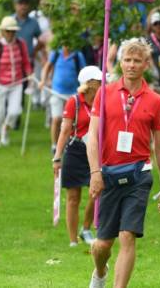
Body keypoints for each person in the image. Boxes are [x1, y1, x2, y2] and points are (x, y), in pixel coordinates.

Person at [87, 39, 160, 288]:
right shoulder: (105, 92)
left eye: (137, 61)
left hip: (139, 175)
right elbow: (92, 135)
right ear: (120, 62)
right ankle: (100, 273)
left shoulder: (155, 100)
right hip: (108, 174)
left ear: (146, 64)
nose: (132, 65)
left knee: (127, 235)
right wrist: (94, 172)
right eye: (127, 60)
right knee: (102, 246)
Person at [52, 66, 102, 247]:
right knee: (73, 197)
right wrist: (57, 157)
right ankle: (73, 240)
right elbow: (65, 130)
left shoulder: (101, 101)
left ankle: (86, 228)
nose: (102, 84)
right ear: (89, 84)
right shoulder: (74, 101)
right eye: (99, 82)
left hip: (94, 150)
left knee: (96, 191)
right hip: (75, 150)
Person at [0, 16, 32, 149]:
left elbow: (26, 62)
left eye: (13, 31)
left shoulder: (21, 43)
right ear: (2, 31)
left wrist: (30, 76)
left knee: (15, 111)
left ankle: (5, 129)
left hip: (17, 83)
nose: (10, 34)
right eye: (8, 31)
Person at [39, 45, 86, 154]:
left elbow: (83, 72)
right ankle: (54, 145)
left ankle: (68, 144)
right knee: (56, 119)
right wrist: (43, 80)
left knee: (71, 121)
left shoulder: (78, 55)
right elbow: (48, 66)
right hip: (57, 92)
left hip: (73, 93)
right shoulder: (56, 53)